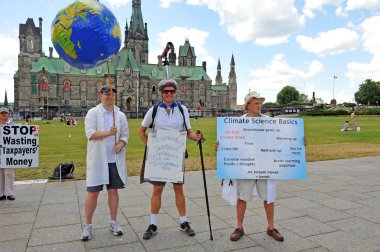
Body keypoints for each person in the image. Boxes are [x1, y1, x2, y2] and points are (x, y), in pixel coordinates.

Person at [138, 78, 202, 240]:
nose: (169, 94)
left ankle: (184, 222)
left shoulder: (182, 109)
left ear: (175, 93)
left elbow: (189, 133)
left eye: (172, 91)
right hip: (159, 157)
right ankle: (153, 224)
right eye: (166, 91)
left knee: (178, 189)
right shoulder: (153, 110)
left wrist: (197, 137)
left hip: (175, 155)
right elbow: (141, 131)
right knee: (157, 190)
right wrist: (151, 146)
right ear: (161, 93)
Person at [217, 91, 284, 242]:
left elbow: (280, 140)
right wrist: (220, 145)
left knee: (269, 197)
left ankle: (271, 227)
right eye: (256, 103)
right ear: (247, 106)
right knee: (242, 196)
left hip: (264, 164)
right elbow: (230, 141)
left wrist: (298, 141)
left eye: (260, 103)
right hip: (245, 165)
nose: (259, 106)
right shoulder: (238, 122)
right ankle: (239, 227)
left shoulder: (269, 121)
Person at [80, 86, 129, 241]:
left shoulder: (120, 115)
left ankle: (113, 222)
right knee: (93, 193)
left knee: (113, 192)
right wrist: (109, 132)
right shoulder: (93, 113)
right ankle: (87, 226)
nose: (109, 97)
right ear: (100, 96)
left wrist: (120, 144)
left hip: (114, 160)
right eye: (106, 94)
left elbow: (125, 135)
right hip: (98, 161)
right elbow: (91, 134)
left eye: (112, 94)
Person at [0, 107, 16, 201]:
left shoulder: (13, 124)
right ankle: (1, 193)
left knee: (9, 172)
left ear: (8, 114)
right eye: (2, 113)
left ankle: (9, 193)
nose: (3, 114)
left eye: (5, 113)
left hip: (9, 152)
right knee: (0, 172)